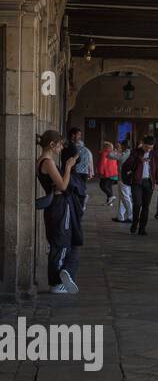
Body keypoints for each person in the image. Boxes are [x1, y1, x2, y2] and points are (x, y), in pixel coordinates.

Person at [36, 130, 82, 295]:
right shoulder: (47, 162)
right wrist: (68, 167)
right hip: (59, 205)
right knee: (62, 241)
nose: (62, 148)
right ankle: (57, 281)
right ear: (52, 144)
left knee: (60, 240)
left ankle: (63, 276)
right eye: (60, 144)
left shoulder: (41, 160)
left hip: (55, 205)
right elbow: (62, 185)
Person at [121, 136, 158, 236]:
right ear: (142, 144)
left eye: (150, 147)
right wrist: (139, 161)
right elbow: (126, 166)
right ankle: (134, 223)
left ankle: (142, 228)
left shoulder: (155, 154)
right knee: (137, 204)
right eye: (146, 147)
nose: (148, 149)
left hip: (149, 182)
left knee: (146, 206)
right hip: (137, 182)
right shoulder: (135, 152)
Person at [61, 126, 94, 214]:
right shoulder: (72, 146)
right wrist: (77, 157)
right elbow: (78, 159)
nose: (79, 137)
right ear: (73, 135)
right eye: (78, 135)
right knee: (78, 192)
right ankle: (78, 209)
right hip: (71, 172)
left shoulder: (67, 144)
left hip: (68, 170)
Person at [109, 140, 134, 223]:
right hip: (124, 178)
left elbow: (110, 155)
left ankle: (131, 217)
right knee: (122, 198)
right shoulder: (128, 152)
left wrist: (114, 150)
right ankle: (120, 217)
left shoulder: (126, 153)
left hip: (124, 179)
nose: (119, 148)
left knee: (126, 198)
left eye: (120, 146)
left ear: (123, 146)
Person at [97, 142, 119, 206]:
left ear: (106, 148)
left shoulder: (104, 154)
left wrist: (100, 172)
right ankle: (109, 202)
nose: (102, 148)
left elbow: (102, 163)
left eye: (103, 146)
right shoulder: (113, 153)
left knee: (102, 185)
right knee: (109, 186)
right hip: (114, 173)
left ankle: (111, 196)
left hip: (107, 173)